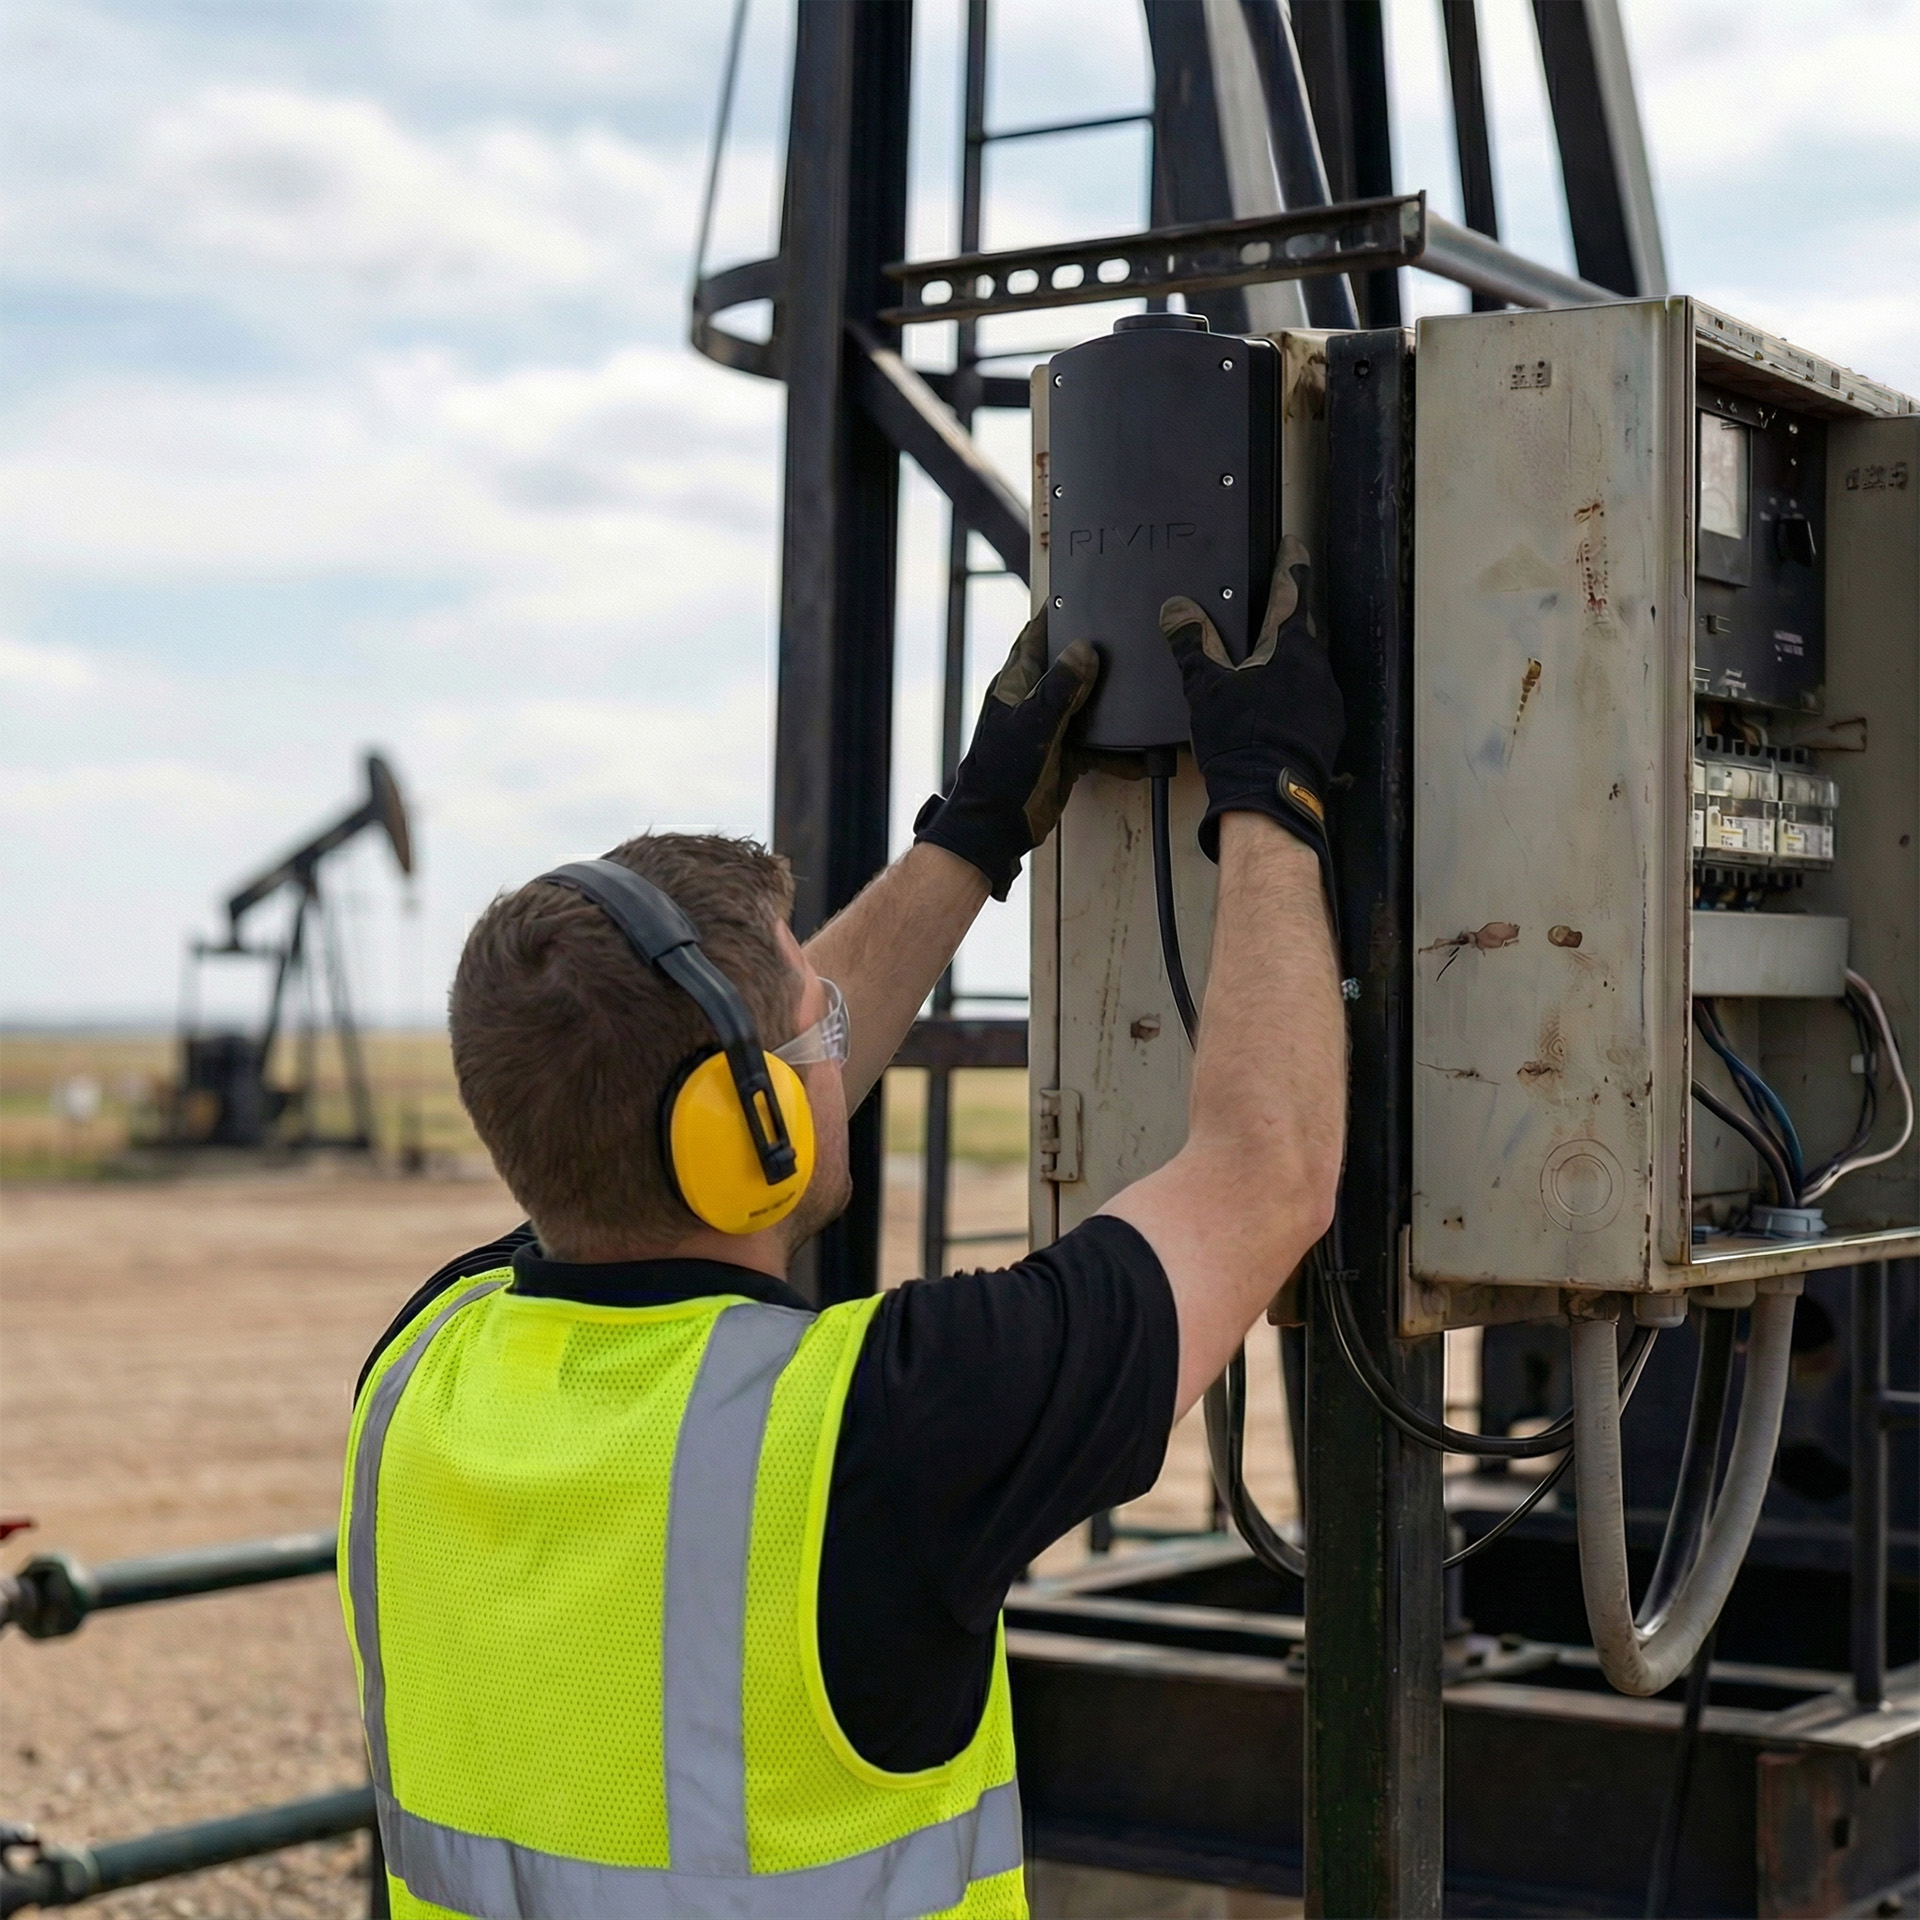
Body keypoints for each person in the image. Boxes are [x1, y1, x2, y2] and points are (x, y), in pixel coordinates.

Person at [339, 551, 1347, 1920]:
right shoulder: (886, 1427)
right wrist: (1272, 802)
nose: (834, 1032)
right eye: (811, 1019)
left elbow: (656, 1112)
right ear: (746, 1131)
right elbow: (1269, 1170)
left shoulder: (421, 1366)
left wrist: (974, 831)